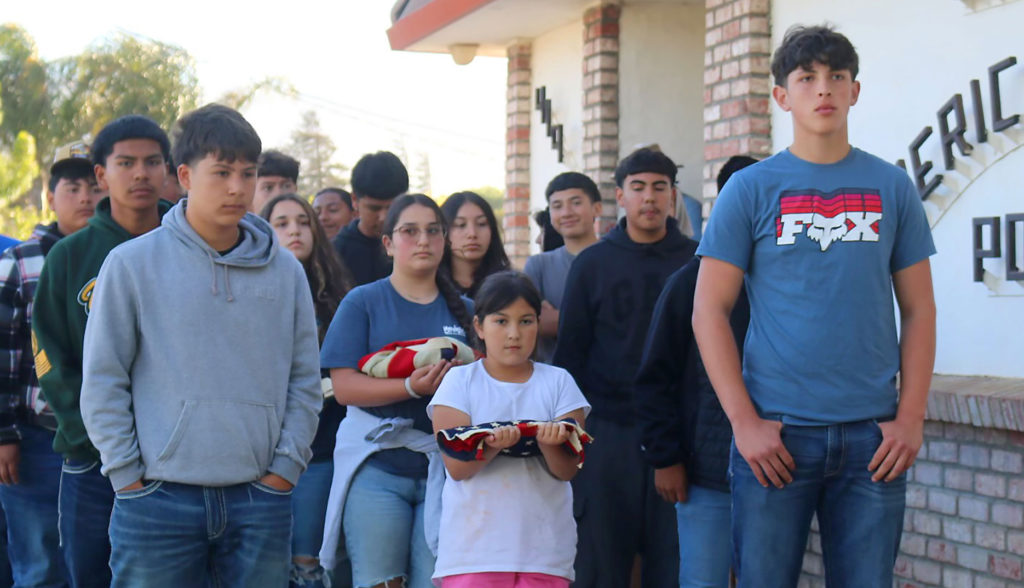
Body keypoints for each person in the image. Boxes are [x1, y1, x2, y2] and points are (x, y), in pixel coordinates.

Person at [693, 26, 936, 588]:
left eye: (836, 77)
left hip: (873, 438)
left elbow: (920, 310)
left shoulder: (892, 187)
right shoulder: (750, 189)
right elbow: (708, 310)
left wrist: (910, 418)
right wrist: (745, 423)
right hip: (776, 436)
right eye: (807, 78)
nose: (823, 89)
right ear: (783, 96)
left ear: (854, 91)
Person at [78, 103, 322, 587]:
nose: (237, 187)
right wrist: (128, 478)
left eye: (248, 173)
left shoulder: (287, 272)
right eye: (223, 172)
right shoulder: (130, 264)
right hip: (157, 501)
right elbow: (104, 379)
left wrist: (284, 473)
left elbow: (304, 380)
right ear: (186, 175)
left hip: (261, 500)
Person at [32, 115, 172, 588]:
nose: (140, 174)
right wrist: (93, 432)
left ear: (170, 169)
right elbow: (49, 356)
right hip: (91, 460)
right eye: (126, 162)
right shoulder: (69, 257)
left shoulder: (192, 246)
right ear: (101, 175)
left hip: (179, 459)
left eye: (153, 162)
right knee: (89, 574)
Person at [553, 147, 698, 588]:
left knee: (674, 567)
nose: (649, 198)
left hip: (681, 435)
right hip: (607, 435)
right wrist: (568, 442)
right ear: (620, 196)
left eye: (659, 187)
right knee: (601, 566)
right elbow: (570, 359)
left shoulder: (697, 262)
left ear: (673, 196)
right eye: (638, 188)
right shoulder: (592, 264)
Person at [319, 194, 474, 588]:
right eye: (409, 231)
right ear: (387, 244)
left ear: (445, 241)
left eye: (432, 231)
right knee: (380, 583)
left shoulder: (469, 310)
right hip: (378, 469)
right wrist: (407, 385)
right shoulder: (363, 301)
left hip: (446, 470)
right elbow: (343, 385)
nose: (422, 240)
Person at [634, 155, 757, 588]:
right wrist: (665, 458)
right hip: (705, 472)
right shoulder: (691, 282)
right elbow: (656, 377)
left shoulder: (788, 280)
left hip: (778, 469)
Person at [428, 271, 590, 588]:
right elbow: (457, 467)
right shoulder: (458, 383)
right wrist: (492, 445)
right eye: (501, 321)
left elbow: (569, 468)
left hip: (545, 553)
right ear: (479, 326)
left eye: (526, 321)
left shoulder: (559, 383)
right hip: (472, 553)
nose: (514, 333)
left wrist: (548, 444)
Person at [0, 140, 102, 587]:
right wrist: (3, 434)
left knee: (102, 562)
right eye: (72, 188)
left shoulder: (122, 255)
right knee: (39, 563)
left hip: (112, 441)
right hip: (37, 439)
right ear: (51, 197)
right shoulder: (20, 262)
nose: (85, 198)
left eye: (93, 188)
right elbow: (3, 353)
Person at [260, 193, 353, 587]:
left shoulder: (340, 300)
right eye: (281, 223)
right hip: (257, 452)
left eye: (302, 221)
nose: (294, 230)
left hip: (320, 448)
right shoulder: (250, 294)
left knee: (308, 565)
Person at [524, 172, 602, 363]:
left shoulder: (616, 259)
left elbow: (623, 325)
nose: (566, 212)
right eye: (557, 206)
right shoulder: (538, 265)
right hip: (551, 378)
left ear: (597, 208)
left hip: (607, 380)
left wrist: (559, 319)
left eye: (576, 203)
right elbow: (526, 323)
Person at [332, 152, 409, 286]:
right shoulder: (335, 254)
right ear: (355, 200)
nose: (383, 217)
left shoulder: (419, 245)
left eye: (392, 208)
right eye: (374, 208)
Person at [439, 191, 510, 299]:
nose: (472, 234)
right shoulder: (430, 285)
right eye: (461, 225)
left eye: (481, 224)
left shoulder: (509, 285)